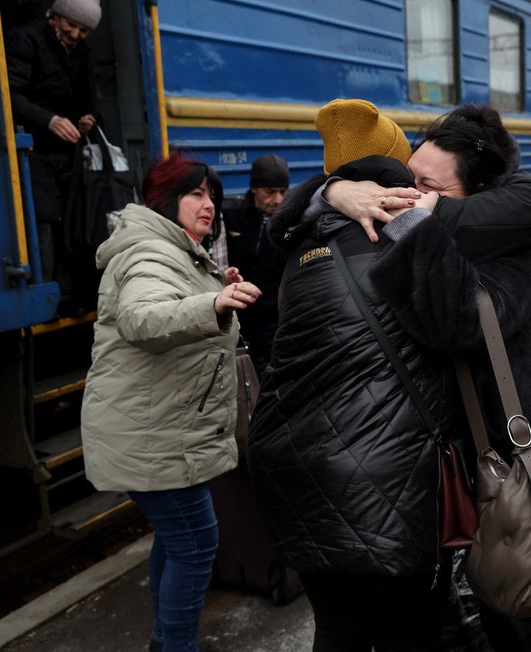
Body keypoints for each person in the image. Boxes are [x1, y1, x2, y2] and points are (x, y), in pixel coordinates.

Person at [318, 104, 531, 651]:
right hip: (484, 440)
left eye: (429, 186)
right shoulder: (457, 217)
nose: (409, 193)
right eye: (410, 177)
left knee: (527, 589)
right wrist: (334, 192)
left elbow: (461, 327)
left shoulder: (515, 240)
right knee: (491, 587)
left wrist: (417, 227)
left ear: (480, 192)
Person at [247, 99, 455, 651]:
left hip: (294, 464)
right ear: (397, 166)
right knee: (410, 632)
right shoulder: (412, 235)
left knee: (337, 629)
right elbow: (457, 335)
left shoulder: (298, 250)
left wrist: (326, 192)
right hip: (391, 473)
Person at [81, 152, 261, 652]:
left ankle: (165, 643)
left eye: (213, 196)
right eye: (196, 194)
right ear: (166, 199)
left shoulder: (175, 252)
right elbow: (142, 317)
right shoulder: (149, 254)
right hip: (149, 434)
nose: (209, 206)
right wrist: (212, 303)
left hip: (157, 428)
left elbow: (174, 311)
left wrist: (212, 290)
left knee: (178, 538)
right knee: (197, 541)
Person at [5, 0, 102, 315]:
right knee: (47, 218)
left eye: (84, 30)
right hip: (34, 148)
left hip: (66, 152)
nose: (75, 34)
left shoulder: (80, 51)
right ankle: (51, 296)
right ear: (56, 16)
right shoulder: (26, 38)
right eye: (71, 25)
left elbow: (87, 95)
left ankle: (74, 294)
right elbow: (11, 94)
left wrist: (88, 116)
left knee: (72, 220)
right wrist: (49, 120)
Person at [222, 153, 290, 374]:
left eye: (283, 192)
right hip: (240, 320)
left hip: (276, 323)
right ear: (254, 189)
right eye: (270, 192)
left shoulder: (291, 221)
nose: (278, 199)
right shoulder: (230, 215)